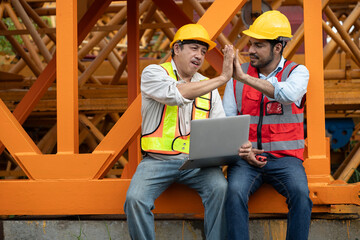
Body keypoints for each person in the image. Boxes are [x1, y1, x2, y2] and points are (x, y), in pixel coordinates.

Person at [124, 23, 246, 240]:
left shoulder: (208, 86)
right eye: (194, 48)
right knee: (135, 199)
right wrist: (222, 79)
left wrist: (237, 146)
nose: (199, 55)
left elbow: (220, 127)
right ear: (177, 49)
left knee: (220, 188)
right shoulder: (154, 73)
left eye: (203, 51)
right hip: (156, 161)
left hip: (195, 164)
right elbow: (177, 94)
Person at [223, 10, 313, 240]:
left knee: (301, 195)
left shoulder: (297, 73)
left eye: (259, 45)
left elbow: (288, 94)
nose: (250, 50)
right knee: (232, 193)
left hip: (286, 159)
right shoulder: (238, 75)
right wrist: (242, 149)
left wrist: (245, 78)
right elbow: (227, 120)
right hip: (247, 160)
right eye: (251, 43)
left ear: (277, 47)